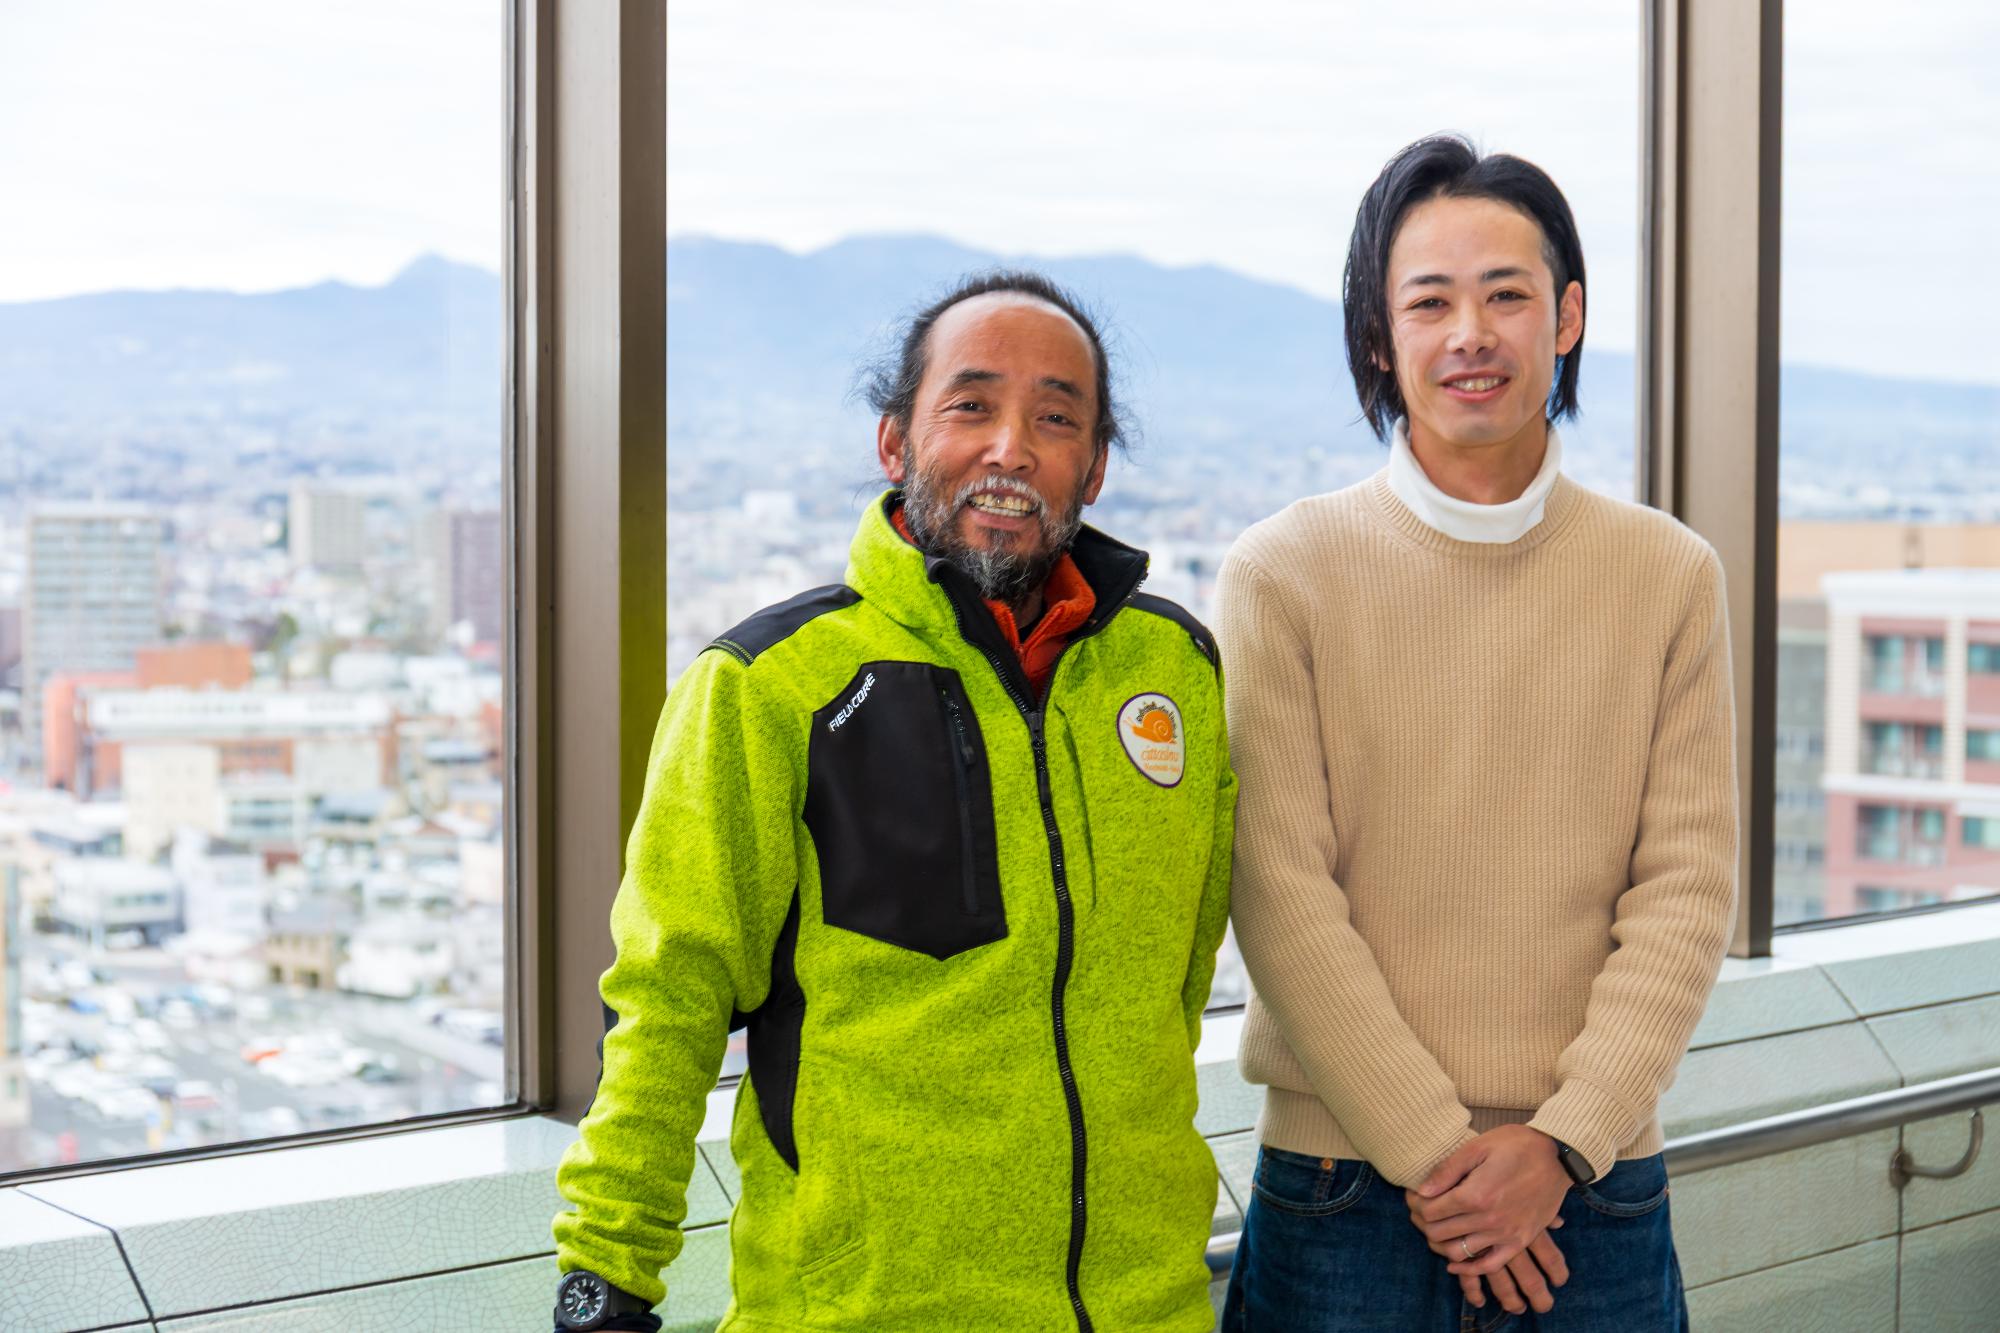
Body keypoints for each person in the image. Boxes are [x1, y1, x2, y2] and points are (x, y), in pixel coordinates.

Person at [549, 271, 1236, 1332]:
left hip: (1145, 1306)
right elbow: (665, 1001)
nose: (1010, 446)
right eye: (970, 406)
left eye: (1055, 418)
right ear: (894, 444)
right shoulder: (771, 684)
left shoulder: (1175, 672)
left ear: (1092, 468)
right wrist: (607, 1278)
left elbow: (1173, 984)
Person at [1217, 135, 1737, 1331]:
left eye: (1505, 294)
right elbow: (1279, 892)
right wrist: (1440, 1159)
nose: (1470, 333)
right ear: (1375, 335)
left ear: (1564, 317)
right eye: (1429, 300)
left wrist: (1558, 1142)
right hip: (1340, 1183)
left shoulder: (1665, 574)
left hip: (1587, 1186)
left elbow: (1686, 885)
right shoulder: (1281, 573)